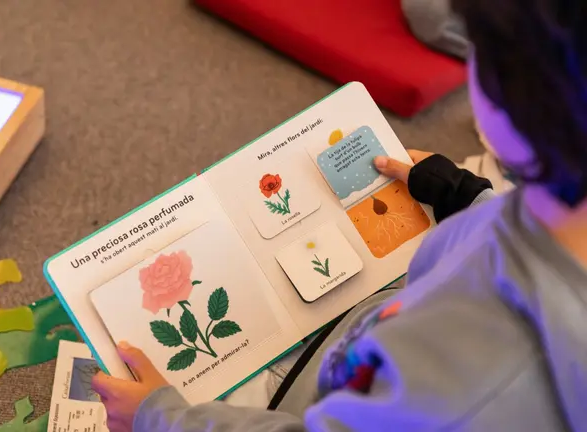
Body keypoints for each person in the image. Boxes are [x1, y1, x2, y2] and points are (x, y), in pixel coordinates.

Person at [92, 0, 587, 429]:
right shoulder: (562, 204)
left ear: (513, 93)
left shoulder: (467, 390)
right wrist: (462, 194)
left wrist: (158, 419)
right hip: (374, 340)